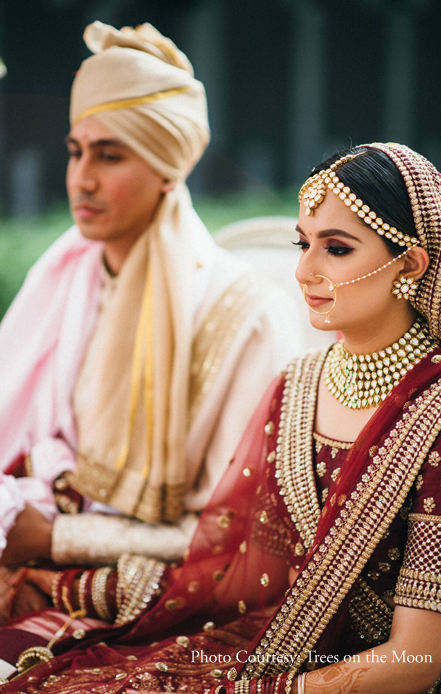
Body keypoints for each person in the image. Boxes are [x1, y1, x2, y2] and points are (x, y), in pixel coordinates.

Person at [1, 142, 441, 694]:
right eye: (303, 243)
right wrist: (67, 585)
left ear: (410, 263)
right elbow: (237, 575)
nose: (303, 271)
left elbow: (416, 662)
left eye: (336, 249)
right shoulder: (299, 384)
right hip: (275, 645)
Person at [0, 22, 304, 643]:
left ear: (168, 168)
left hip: (159, 599)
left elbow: (240, 537)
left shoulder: (244, 316)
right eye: (75, 151)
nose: (80, 179)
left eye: (109, 155)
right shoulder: (65, 280)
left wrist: (54, 536)